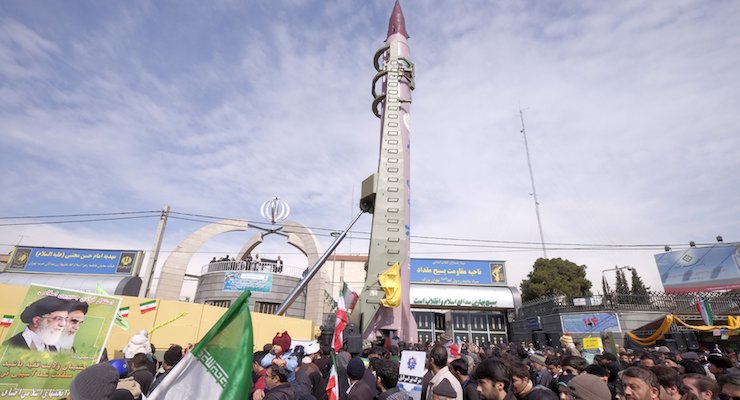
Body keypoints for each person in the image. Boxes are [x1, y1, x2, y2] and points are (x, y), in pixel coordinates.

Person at [4, 295, 69, 351]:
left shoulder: (53, 346)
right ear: (37, 321)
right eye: (58, 319)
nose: (63, 324)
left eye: (65, 319)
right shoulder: (10, 346)